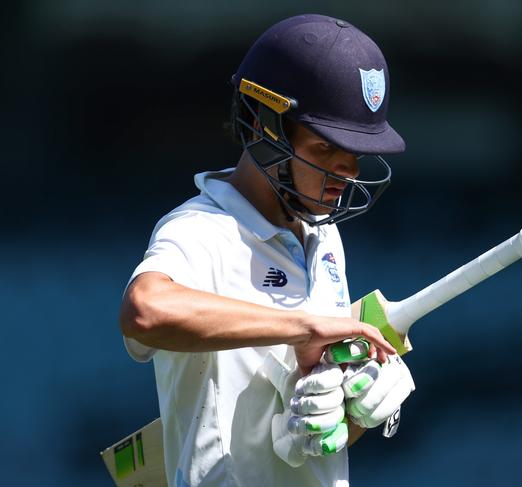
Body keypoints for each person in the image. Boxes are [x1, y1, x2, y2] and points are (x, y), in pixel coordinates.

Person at [119, 14, 415, 487]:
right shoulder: (202, 228)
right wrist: (306, 328)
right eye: (325, 148)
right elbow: (145, 311)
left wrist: (349, 413)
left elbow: (293, 437)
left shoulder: (323, 236)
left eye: (356, 154)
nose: (347, 174)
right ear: (263, 125)